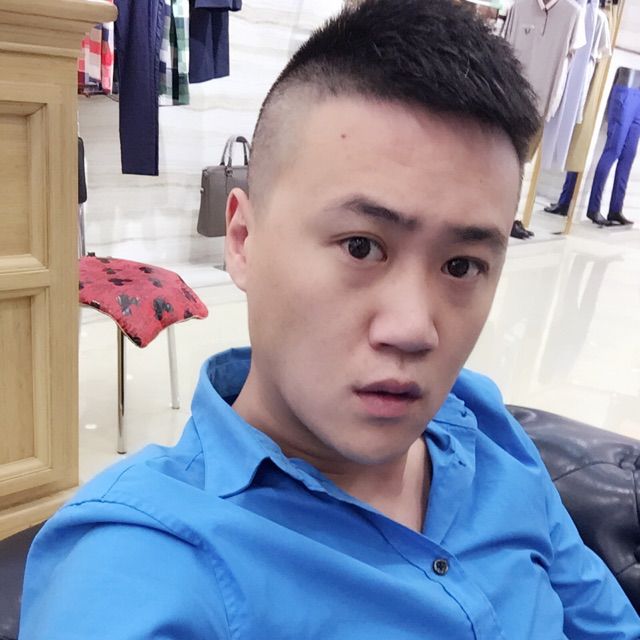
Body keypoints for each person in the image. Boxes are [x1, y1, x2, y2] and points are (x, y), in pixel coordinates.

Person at [19, 1, 640, 638]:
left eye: (461, 265)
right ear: (242, 239)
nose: (413, 329)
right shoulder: (147, 565)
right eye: (361, 247)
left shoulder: (481, 422)